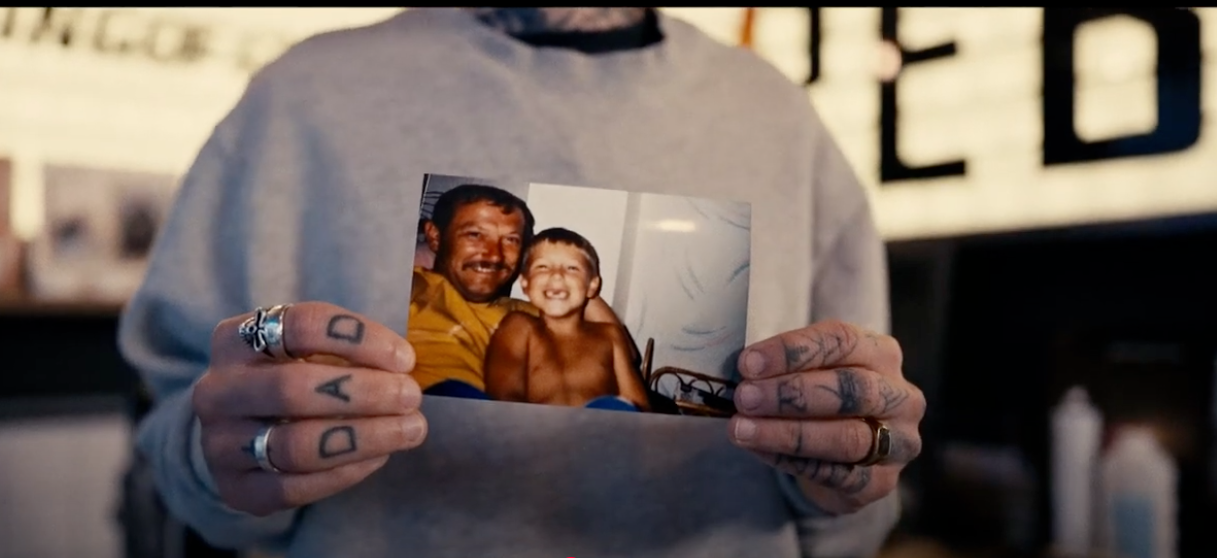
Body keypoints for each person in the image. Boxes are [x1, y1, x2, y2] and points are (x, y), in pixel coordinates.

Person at [118, 7, 928, 558]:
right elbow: (174, 444)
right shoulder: (300, 101)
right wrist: (213, 454)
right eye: (534, 267)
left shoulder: (778, 115)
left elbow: (859, 494)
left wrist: (857, 473)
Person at [407, 183, 627, 398]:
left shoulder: (531, 315)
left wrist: (567, 269)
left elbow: (619, 351)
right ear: (435, 237)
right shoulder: (415, 285)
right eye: (475, 234)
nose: (494, 254)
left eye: (511, 240)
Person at [483, 227, 650, 411]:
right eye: (543, 267)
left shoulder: (610, 336)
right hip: (536, 432)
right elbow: (504, 397)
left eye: (572, 268)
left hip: (600, 430)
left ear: (592, 286)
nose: (556, 274)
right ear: (525, 284)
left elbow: (640, 407)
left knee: (613, 408)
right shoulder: (519, 326)